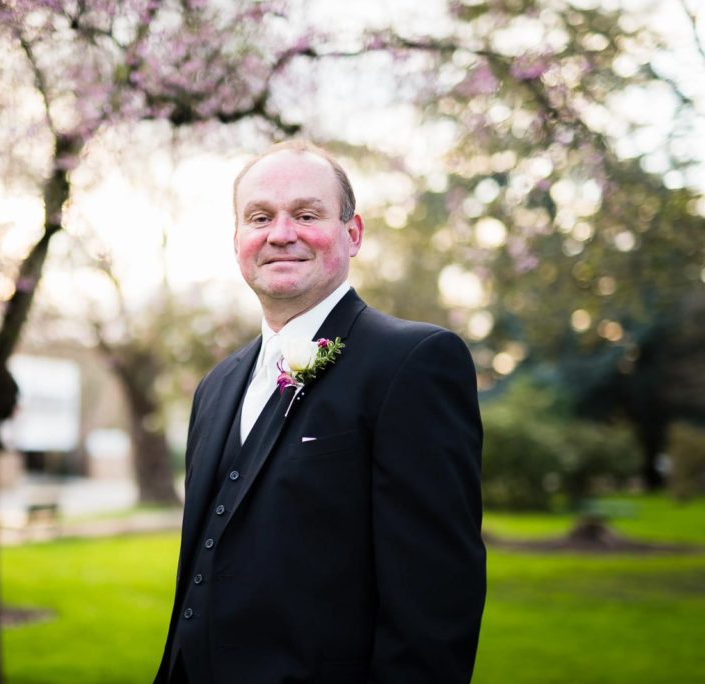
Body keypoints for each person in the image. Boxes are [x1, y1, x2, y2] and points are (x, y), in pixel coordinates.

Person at [153, 140, 485, 684]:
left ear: (352, 234)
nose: (281, 234)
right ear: (237, 239)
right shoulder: (215, 387)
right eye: (259, 217)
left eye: (307, 215)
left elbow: (436, 601)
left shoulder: (415, 362)